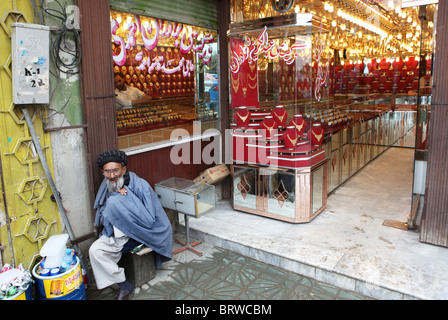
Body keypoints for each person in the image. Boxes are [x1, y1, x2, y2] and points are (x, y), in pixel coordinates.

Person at [89, 150, 172, 300]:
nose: (112, 175)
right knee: (95, 251)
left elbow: (149, 219)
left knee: (115, 201)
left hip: (142, 233)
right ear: (103, 172)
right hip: (116, 233)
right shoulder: (107, 185)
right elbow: (104, 210)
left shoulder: (140, 185)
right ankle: (124, 285)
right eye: (108, 172)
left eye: (116, 170)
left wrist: (125, 200)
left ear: (124, 169)